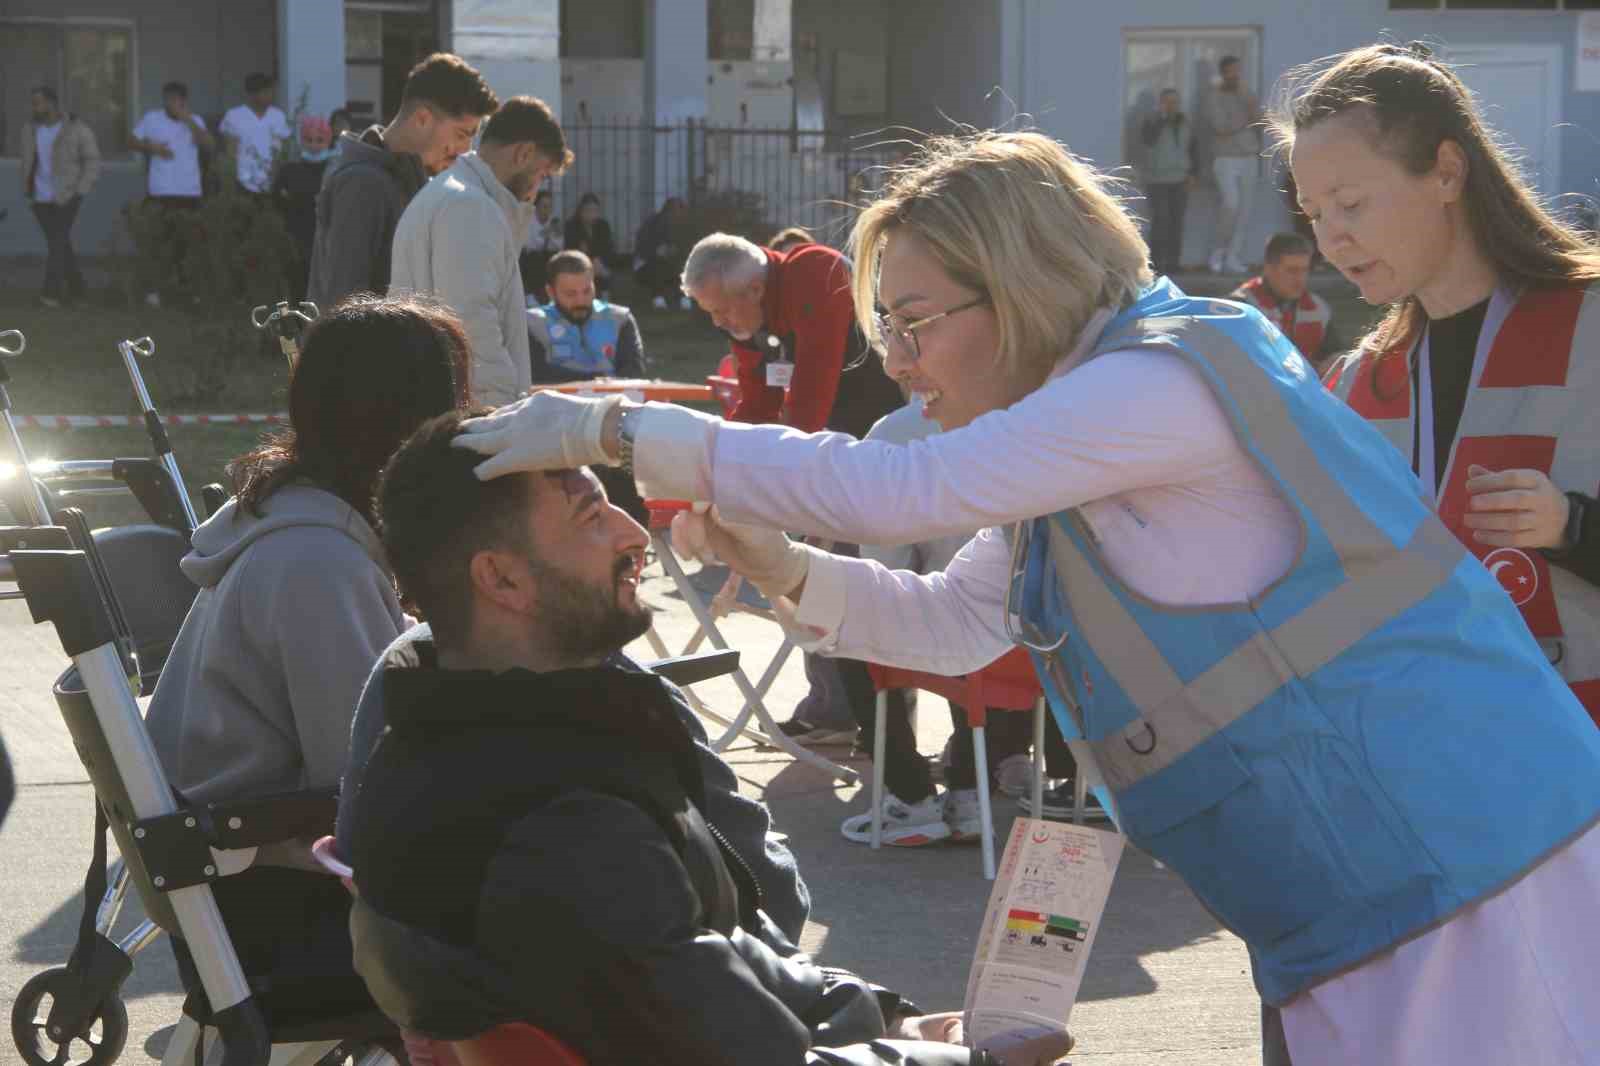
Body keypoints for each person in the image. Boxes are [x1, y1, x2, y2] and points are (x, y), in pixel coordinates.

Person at [455, 127, 1600, 1066]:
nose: (898, 362)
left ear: (1019, 285)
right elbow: (956, 619)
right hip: (1366, 901)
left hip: (1475, 882)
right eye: (880, 328)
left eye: (913, 323)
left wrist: (614, 427)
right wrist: (781, 570)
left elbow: (903, 485)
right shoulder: (1083, 443)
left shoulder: (1155, 385)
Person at [342, 411, 1071, 1066]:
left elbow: (721, 960)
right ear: (500, 577)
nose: (634, 535)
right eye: (592, 516)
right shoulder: (567, 822)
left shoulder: (450, 744)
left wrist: (890, 1024)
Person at [145, 294, 470, 1014]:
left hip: (238, 884)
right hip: (278, 915)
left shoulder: (296, 521)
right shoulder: (318, 560)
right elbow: (369, 781)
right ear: (413, 422)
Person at [1297, 45, 1600, 724]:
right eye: (1313, 213)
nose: (1331, 240)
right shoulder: (1355, 383)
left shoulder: (1590, 325)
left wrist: (1574, 527)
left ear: (1447, 172)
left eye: (1349, 203)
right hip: (1443, 773)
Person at [391, 95, 572, 408]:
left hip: (435, 396)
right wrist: (499, 409)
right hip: (467, 409)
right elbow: (470, 320)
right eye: (542, 174)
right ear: (524, 153)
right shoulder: (470, 207)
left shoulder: (452, 193)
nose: (537, 190)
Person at [307, 52, 498, 311]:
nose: (465, 150)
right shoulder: (363, 184)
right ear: (422, 119)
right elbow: (344, 309)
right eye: (462, 134)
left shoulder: (413, 183)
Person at [681, 231, 902, 437]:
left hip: (902, 418)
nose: (717, 321)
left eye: (723, 310)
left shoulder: (814, 271)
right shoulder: (747, 310)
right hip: (845, 425)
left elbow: (810, 401)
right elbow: (757, 405)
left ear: (756, 289)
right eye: (711, 312)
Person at [527, 248, 649, 522]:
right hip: (559, 425)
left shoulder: (619, 319)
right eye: (570, 294)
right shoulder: (533, 323)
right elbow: (537, 375)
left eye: (586, 290)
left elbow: (634, 370)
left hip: (616, 421)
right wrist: (595, 381)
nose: (581, 300)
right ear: (550, 291)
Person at [130, 81, 214, 308]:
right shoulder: (152, 119)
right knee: (158, 242)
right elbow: (132, 140)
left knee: (188, 242)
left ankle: (190, 291)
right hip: (160, 191)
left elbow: (208, 144)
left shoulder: (194, 121)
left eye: (176, 99)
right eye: (167, 99)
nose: (170, 104)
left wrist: (186, 119)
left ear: (184, 101)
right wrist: (153, 148)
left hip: (189, 192)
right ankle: (154, 291)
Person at [20, 85, 100, 308]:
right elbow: (27, 160)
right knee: (60, 244)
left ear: (52, 104)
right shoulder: (29, 129)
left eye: (38, 102)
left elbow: (92, 160)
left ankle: (50, 294)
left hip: (67, 195)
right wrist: (27, 189)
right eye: (33, 102)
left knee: (57, 243)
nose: (34, 107)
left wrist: (81, 189)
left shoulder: (77, 129)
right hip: (39, 197)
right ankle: (78, 290)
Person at [1230, 233, 1338, 373]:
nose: (1300, 278)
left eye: (1305, 270)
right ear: (1269, 269)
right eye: (1292, 270)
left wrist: (1335, 360)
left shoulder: (1319, 309)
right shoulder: (1239, 307)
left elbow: (1334, 353)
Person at [1206, 55, 1261, 275]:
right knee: (1231, 204)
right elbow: (1220, 126)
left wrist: (1247, 105)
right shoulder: (1214, 96)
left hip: (1248, 155)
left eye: (1238, 70)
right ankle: (1218, 251)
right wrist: (1244, 117)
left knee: (1245, 210)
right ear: (1223, 73)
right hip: (1225, 157)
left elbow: (1259, 118)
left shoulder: (1246, 93)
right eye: (1231, 71)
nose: (1235, 75)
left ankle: (1233, 257)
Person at [273, 115, 336, 303]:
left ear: (328, 141)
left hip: (327, 242)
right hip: (297, 243)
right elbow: (277, 202)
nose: (314, 146)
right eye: (309, 140)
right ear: (302, 141)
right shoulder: (289, 171)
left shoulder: (336, 171)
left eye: (319, 140)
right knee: (298, 292)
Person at [1140, 88, 1196, 276]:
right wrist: (1162, 118)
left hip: (1180, 179)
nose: (1171, 106)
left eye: (1174, 102)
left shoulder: (1185, 122)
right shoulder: (1152, 122)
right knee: (1160, 222)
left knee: (1177, 222)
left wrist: (1193, 173)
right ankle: (1155, 264)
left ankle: (1173, 264)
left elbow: (1194, 148)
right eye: (1167, 102)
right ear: (1161, 103)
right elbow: (1148, 140)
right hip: (1157, 179)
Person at [220, 72, 292, 196]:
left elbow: (283, 149)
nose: (271, 95)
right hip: (242, 181)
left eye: (271, 91)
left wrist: (278, 174)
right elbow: (230, 151)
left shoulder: (278, 115)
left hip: (272, 180)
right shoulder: (234, 115)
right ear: (253, 94)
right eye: (266, 92)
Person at [633, 196, 691, 309]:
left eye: (680, 211)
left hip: (669, 266)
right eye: (675, 211)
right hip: (646, 266)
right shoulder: (652, 224)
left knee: (681, 265)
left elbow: (683, 249)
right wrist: (657, 251)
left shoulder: (681, 226)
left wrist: (672, 251)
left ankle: (683, 298)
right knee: (658, 264)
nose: (678, 215)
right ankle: (658, 298)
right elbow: (641, 250)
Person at [564, 192, 617, 296]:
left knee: (602, 271)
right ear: (580, 211)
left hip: (600, 263)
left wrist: (599, 261)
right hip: (579, 263)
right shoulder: (572, 226)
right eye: (588, 210)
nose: (591, 214)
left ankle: (604, 296)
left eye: (595, 211)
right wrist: (590, 261)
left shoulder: (603, 226)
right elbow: (571, 249)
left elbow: (608, 247)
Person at [518, 187, 564, 300]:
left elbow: (560, 244)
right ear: (536, 206)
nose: (547, 210)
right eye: (544, 206)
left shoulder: (554, 221)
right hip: (531, 258)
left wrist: (548, 236)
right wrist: (546, 235)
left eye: (549, 207)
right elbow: (528, 244)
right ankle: (532, 296)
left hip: (548, 256)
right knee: (534, 259)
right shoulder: (529, 220)